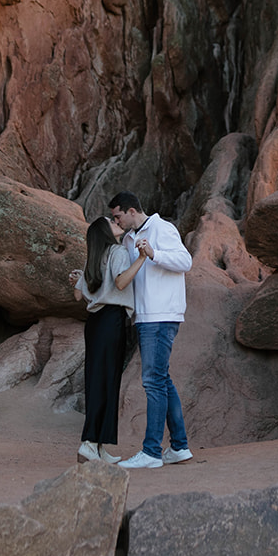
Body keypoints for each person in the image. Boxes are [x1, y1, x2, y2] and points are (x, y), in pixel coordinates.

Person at [107, 191, 193, 470]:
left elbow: (185, 262)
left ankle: (152, 452)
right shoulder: (130, 238)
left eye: (118, 216)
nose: (115, 221)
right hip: (145, 317)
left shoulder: (162, 228)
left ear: (132, 211)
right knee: (162, 380)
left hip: (161, 315)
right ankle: (179, 447)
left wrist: (154, 253)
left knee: (153, 382)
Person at [71, 216, 146, 464]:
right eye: (111, 222)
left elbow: (77, 295)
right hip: (112, 319)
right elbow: (122, 282)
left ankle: (98, 447)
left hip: (94, 323)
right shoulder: (117, 251)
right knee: (107, 381)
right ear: (105, 231)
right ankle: (89, 443)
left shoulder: (94, 255)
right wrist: (144, 258)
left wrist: (76, 281)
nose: (116, 222)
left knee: (97, 379)